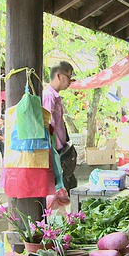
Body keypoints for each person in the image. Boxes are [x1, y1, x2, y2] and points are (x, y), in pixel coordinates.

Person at [43, 61, 75, 198]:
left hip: (60, 150)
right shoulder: (49, 96)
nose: (70, 82)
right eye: (69, 77)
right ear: (59, 76)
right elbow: (47, 124)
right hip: (54, 153)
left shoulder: (55, 96)